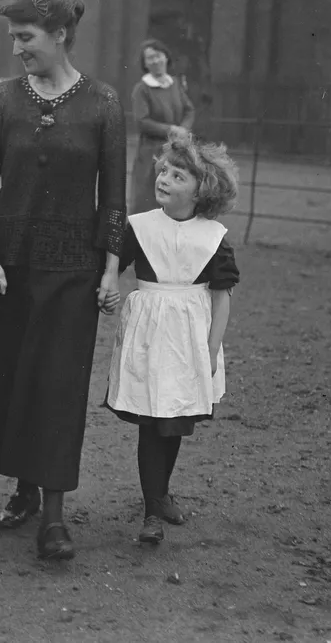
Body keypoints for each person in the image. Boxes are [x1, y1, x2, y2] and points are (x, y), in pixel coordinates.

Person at [0, 0, 127, 561]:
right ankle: (21, 486)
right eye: (13, 38)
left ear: (60, 35)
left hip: (73, 272)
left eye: (25, 38)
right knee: (3, 378)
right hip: (9, 267)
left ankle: (52, 517)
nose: (18, 48)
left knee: (57, 389)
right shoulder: (3, 100)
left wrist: (111, 269)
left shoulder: (103, 103)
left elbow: (116, 199)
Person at [104, 128, 239, 545]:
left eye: (179, 176)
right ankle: (150, 511)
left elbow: (222, 298)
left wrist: (211, 348)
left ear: (202, 191)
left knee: (175, 420)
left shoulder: (212, 238)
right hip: (148, 333)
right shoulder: (140, 227)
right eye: (164, 171)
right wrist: (107, 285)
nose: (165, 179)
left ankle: (160, 493)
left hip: (190, 338)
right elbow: (111, 268)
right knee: (151, 422)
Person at [130, 39, 196, 213]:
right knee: (147, 202)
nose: (155, 61)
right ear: (145, 64)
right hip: (152, 154)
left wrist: (183, 129)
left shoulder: (174, 84)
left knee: (175, 201)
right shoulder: (142, 89)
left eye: (158, 56)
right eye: (150, 58)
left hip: (176, 150)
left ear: (166, 57)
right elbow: (142, 121)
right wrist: (171, 130)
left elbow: (189, 110)